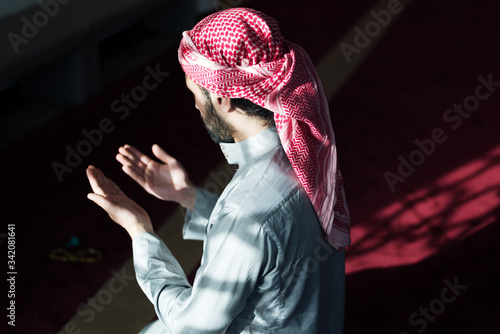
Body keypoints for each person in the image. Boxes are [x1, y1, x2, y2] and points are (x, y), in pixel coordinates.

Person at [86, 7, 351, 334]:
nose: (195, 106)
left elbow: (192, 325)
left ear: (223, 98)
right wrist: (189, 196)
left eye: (195, 93)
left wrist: (140, 231)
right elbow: (271, 234)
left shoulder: (245, 208)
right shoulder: (305, 153)